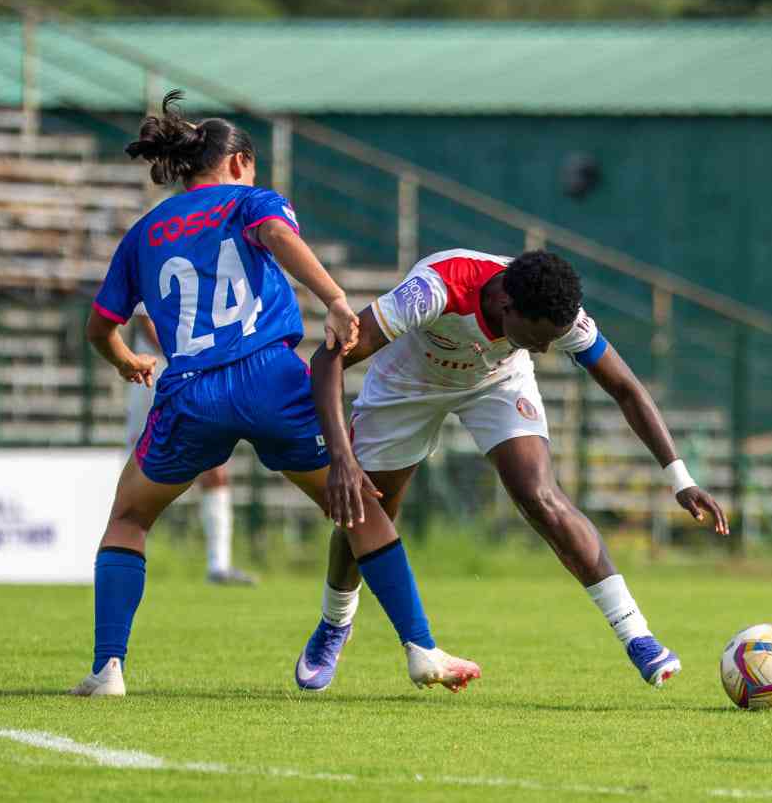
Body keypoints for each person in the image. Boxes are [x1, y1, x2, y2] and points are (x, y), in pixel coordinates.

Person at [70, 91, 479, 697]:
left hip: (191, 390)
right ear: (239, 163)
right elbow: (273, 234)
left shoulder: (144, 232)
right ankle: (421, 649)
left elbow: (99, 327)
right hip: (271, 379)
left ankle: (108, 669)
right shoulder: (253, 201)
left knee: (129, 518)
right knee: (361, 510)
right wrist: (336, 300)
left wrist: (128, 359)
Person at [294, 248, 728, 692]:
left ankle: (638, 637)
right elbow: (328, 359)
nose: (543, 349)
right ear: (507, 306)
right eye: (537, 338)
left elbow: (626, 388)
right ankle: (335, 623)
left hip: (496, 384)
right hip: (408, 384)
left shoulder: (559, 315)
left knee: (540, 496)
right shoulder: (435, 291)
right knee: (368, 510)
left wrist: (681, 478)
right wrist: (341, 458)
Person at [125, 307, 252, 585]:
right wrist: (184, 357)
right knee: (135, 467)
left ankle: (218, 565)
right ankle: (122, 552)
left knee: (214, 465)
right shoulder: (154, 262)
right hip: (156, 372)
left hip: (196, 372)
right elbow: (147, 322)